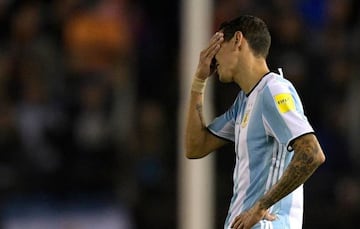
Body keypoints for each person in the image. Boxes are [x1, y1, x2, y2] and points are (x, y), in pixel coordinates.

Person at [185, 15, 326, 229]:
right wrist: (199, 80)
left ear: (237, 40)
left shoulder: (274, 89)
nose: (213, 59)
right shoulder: (244, 102)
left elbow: (312, 152)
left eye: (217, 46)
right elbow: (195, 146)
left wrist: (262, 205)